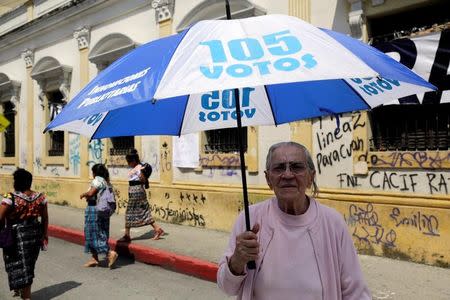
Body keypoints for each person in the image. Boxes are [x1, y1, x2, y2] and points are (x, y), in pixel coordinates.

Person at [217, 142, 371, 300]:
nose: (288, 175)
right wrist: (237, 261)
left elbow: (355, 292)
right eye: (279, 168)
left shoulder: (332, 223)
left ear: (311, 177)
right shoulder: (250, 219)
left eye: (297, 167)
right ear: (268, 178)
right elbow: (227, 287)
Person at [0, 168, 49, 300]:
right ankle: (22, 290)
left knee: (14, 263)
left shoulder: (10, 197)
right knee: (29, 264)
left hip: (16, 236)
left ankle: (26, 296)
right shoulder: (40, 197)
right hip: (35, 235)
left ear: (17, 182)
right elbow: (45, 218)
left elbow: (0, 217)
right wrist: (45, 234)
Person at [118, 149, 164, 242]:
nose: (128, 163)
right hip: (134, 192)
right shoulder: (136, 168)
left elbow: (143, 180)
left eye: (129, 162)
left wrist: (142, 175)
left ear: (134, 161)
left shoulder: (140, 167)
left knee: (130, 213)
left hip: (137, 191)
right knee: (142, 212)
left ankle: (127, 235)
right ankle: (157, 229)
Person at [80, 163, 118, 268]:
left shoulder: (97, 180)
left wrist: (83, 194)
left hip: (94, 210)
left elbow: (91, 193)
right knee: (101, 233)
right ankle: (94, 258)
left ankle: (109, 253)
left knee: (93, 234)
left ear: (95, 172)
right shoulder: (106, 181)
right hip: (102, 211)